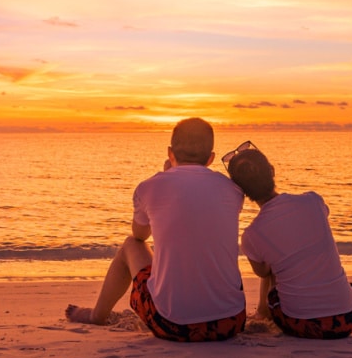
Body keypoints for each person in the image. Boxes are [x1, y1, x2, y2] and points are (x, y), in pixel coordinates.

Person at [65, 118, 247, 342]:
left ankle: (97, 315)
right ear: (210, 158)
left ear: (170, 152)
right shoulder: (233, 189)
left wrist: (165, 175)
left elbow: (140, 235)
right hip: (230, 322)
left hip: (171, 324)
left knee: (130, 245)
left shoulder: (149, 187)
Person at [224, 143, 352, 339]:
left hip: (300, 323)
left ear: (241, 191)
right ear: (272, 171)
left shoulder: (252, 235)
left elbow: (263, 272)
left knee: (271, 261)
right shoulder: (313, 201)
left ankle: (263, 312)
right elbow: (322, 216)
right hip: (348, 318)